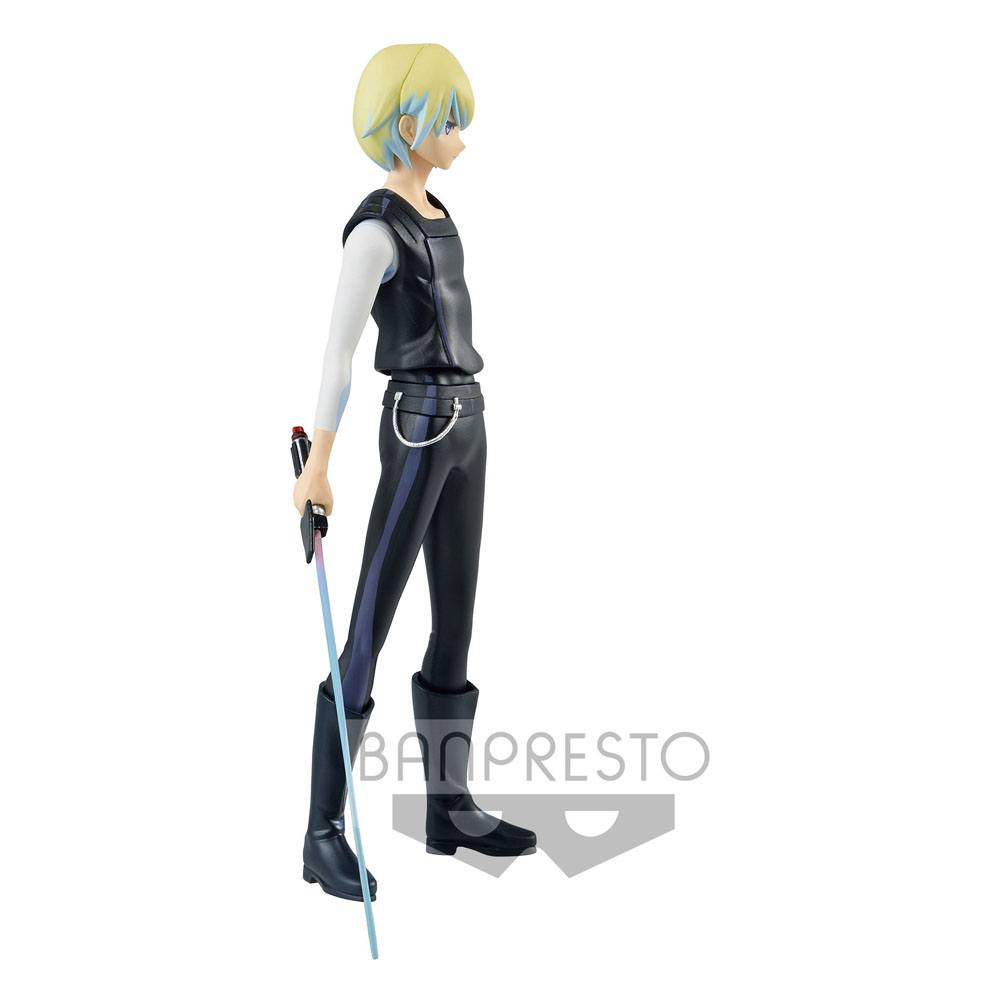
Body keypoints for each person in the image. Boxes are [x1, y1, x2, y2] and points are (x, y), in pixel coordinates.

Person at [293, 43, 536, 902]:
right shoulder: (374, 229)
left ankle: (449, 807)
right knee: (369, 623)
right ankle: (322, 835)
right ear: (406, 124)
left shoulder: (438, 211)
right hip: (419, 425)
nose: (460, 133)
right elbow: (338, 350)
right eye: (448, 119)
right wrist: (319, 463)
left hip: (469, 423)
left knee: (456, 618)